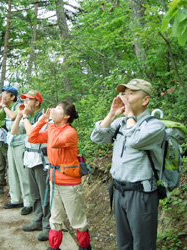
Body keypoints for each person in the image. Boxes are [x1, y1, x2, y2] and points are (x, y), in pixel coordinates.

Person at [90, 79, 165, 250]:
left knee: (142, 244)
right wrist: (112, 114)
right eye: (124, 93)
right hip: (119, 191)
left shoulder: (154, 126)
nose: (125, 97)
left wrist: (130, 115)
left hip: (141, 194)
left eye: (131, 93)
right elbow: (97, 137)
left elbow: (135, 140)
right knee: (124, 243)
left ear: (145, 100)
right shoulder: (120, 123)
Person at [28, 102, 91, 250]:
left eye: (57, 108)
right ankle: (54, 246)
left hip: (69, 183)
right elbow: (32, 138)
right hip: (54, 180)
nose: (53, 110)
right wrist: (42, 121)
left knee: (77, 219)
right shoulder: (53, 129)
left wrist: (49, 122)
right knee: (55, 217)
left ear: (66, 116)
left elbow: (55, 142)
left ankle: (84, 246)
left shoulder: (70, 132)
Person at [10, 90, 51, 241]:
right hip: (29, 159)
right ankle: (37, 220)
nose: (25, 102)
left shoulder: (44, 116)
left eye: (29, 100)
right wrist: (20, 115)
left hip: (41, 161)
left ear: (37, 102)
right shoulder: (29, 117)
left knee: (44, 195)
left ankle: (48, 226)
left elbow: (33, 135)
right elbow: (14, 132)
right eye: (24, 99)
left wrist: (25, 116)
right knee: (34, 194)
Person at [0, 87, 33, 215]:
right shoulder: (5, 108)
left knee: (23, 173)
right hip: (11, 143)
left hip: (21, 143)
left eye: (5, 93)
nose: (2, 95)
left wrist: (4, 106)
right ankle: (16, 199)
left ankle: (28, 202)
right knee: (12, 172)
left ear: (12, 96)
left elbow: (14, 117)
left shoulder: (18, 106)